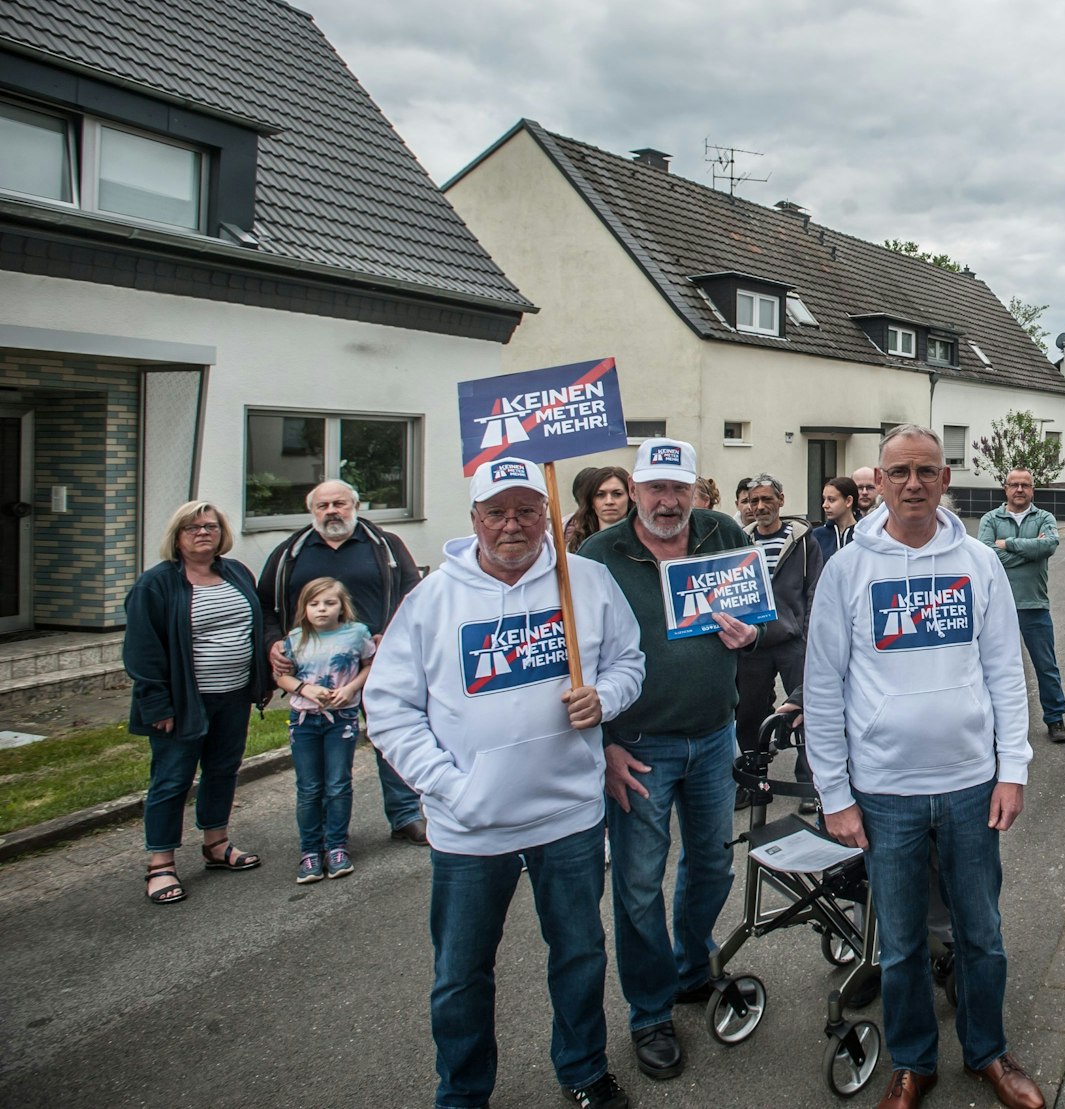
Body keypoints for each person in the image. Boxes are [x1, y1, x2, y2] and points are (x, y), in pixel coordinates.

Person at [366, 457, 646, 1109]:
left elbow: (629, 662)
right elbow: (388, 706)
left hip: (569, 816)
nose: (513, 524)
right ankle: (463, 1090)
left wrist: (604, 696)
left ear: (548, 515)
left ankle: (582, 1069)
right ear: (475, 520)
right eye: (497, 512)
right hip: (470, 825)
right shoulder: (433, 599)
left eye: (527, 510)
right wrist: (447, 787)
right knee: (462, 974)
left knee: (579, 953)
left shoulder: (587, 584)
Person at [806, 425, 1045, 1109]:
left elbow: (1004, 671)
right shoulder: (848, 570)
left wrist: (1013, 769)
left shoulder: (978, 562)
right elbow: (823, 685)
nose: (913, 483)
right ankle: (912, 1062)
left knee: (982, 932)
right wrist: (834, 792)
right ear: (875, 484)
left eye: (927, 471)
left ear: (945, 480)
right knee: (903, 942)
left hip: (972, 784)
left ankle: (988, 1051)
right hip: (884, 791)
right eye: (899, 471)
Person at [577, 438, 761, 1084]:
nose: (667, 500)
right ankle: (649, 1011)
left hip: (713, 733)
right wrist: (602, 747)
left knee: (712, 861)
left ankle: (690, 966)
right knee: (636, 882)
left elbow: (753, 612)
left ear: (693, 489)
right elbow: (572, 665)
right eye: (654, 487)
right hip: (638, 746)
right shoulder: (597, 556)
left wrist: (750, 631)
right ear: (632, 488)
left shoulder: (721, 531)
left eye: (678, 488)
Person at [257, 478, 427, 846]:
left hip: (378, 662)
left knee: (391, 735)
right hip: (314, 674)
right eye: (323, 506)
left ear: (355, 506)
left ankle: (406, 815)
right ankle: (326, 834)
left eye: (339, 504)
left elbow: (414, 596)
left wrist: (392, 637)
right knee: (322, 756)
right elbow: (266, 606)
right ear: (312, 511)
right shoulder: (292, 553)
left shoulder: (385, 546)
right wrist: (273, 644)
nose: (332, 511)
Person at [126, 501, 272, 905]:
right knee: (171, 781)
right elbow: (142, 652)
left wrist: (262, 679)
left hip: (233, 694)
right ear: (177, 536)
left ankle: (217, 844)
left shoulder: (236, 573)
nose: (202, 532)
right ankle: (160, 864)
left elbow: (255, 625)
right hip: (183, 702)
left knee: (223, 770)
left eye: (210, 526)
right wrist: (157, 705)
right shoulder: (155, 585)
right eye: (192, 528)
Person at [273, 577, 375, 883]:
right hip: (304, 722)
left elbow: (371, 663)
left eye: (329, 603)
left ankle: (336, 847)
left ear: (342, 607)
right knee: (308, 787)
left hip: (341, 720)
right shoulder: (295, 638)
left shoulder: (357, 634)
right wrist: (305, 689)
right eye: (314, 604)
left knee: (338, 783)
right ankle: (310, 851)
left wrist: (352, 688)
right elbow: (281, 677)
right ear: (304, 609)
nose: (321, 609)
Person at [737, 473, 823, 806]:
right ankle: (752, 781)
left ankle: (811, 785)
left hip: (793, 640)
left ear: (781, 501)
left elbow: (816, 587)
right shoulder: (741, 540)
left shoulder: (803, 540)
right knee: (748, 714)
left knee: (807, 711)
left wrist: (809, 630)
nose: (760, 507)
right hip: (754, 642)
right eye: (753, 500)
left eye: (767, 500)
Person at [979, 468, 1065, 743]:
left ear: (1032, 490)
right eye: (1014, 485)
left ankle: (1055, 719)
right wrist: (1030, 552)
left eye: (1025, 485)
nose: (1019, 489)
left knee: (1046, 666)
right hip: (996, 607)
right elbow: (986, 557)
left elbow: (1049, 546)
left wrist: (1008, 544)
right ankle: (992, 724)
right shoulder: (990, 519)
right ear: (1005, 488)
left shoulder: (1044, 518)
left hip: (1034, 604)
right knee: (994, 667)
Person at [566, 465, 633, 551]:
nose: (609, 501)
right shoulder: (577, 545)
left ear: (630, 497)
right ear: (591, 501)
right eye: (600, 495)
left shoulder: (646, 541)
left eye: (617, 494)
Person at [812, 475, 860, 559]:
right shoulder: (816, 536)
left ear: (848, 501)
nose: (824, 505)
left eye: (831, 500)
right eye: (824, 499)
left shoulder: (863, 535)